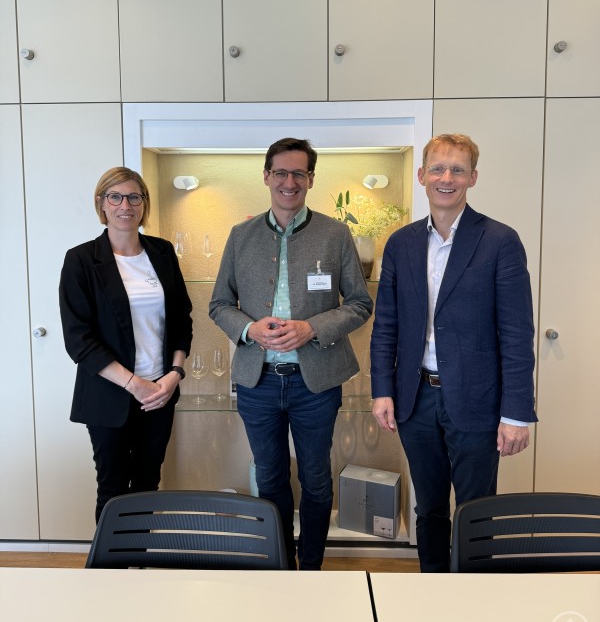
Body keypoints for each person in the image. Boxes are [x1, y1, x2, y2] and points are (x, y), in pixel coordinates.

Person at [370, 133, 537, 572]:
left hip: (478, 400)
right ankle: (433, 586)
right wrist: (382, 390)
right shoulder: (401, 244)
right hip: (415, 399)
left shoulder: (500, 241)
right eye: (438, 169)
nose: (447, 178)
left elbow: (517, 333)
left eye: (458, 170)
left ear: (473, 178)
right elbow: (386, 325)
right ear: (422, 175)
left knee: (475, 511)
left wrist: (517, 413)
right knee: (429, 509)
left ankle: (474, 593)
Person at [209, 137, 373, 570]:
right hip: (258, 382)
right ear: (266, 176)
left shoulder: (335, 234)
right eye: (280, 172)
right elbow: (219, 304)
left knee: (316, 480)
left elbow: (360, 303)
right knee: (270, 479)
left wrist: (311, 328)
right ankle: (281, 565)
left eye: (299, 173)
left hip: (315, 383)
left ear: (311, 179)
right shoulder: (240, 236)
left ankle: (311, 566)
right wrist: (249, 328)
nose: (289, 181)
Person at [59, 166, 193, 523]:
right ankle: (110, 560)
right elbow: (79, 340)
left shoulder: (162, 252)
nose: (125, 205)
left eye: (134, 197)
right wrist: (134, 384)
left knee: (148, 485)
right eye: (115, 197)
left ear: (143, 203)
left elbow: (182, 320)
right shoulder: (81, 260)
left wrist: (174, 374)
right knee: (113, 490)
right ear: (101, 204)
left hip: (159, 394)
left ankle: (138, 558)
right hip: (109, 394)